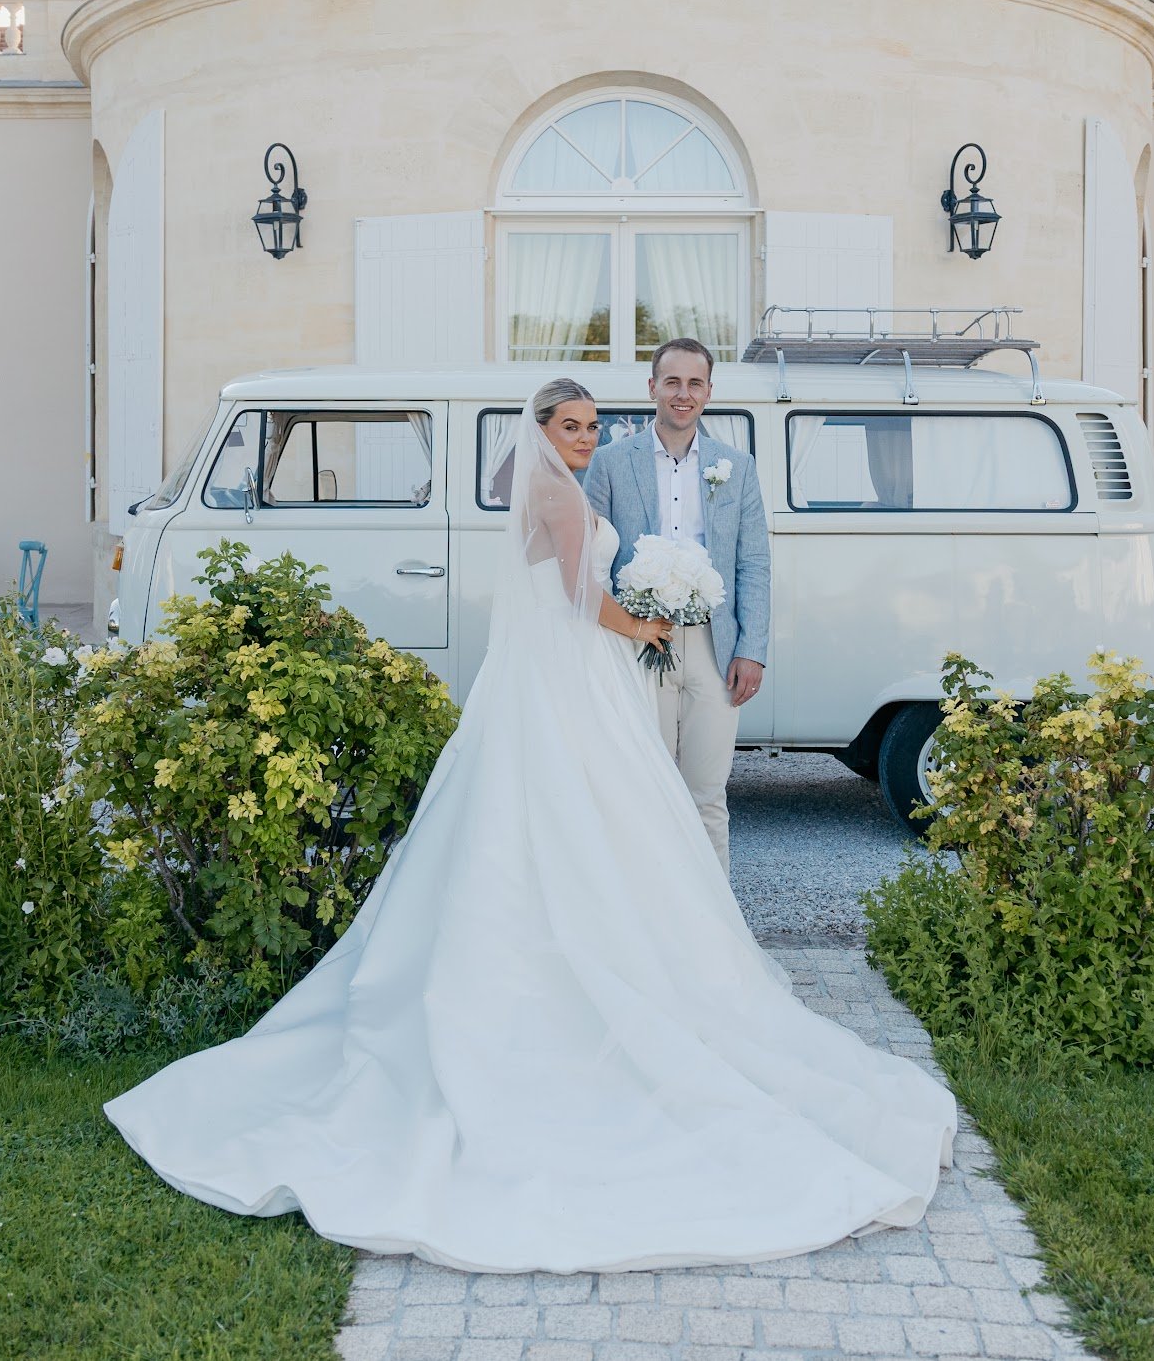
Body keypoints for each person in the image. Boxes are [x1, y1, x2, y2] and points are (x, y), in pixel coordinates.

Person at [103, 380, 953, 1274]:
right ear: (543, 432)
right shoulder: (555, 489)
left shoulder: (545, 486)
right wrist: (652, 624)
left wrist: (632, 605)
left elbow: (566, 575)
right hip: (578, 672)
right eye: (571, 427)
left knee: (552, 824)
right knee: (596, 822)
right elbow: (589, 601)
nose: (586, 439)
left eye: (592, 427)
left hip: (559, 678)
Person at [579, 337, 770, 873]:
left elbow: (753, 563)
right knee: (646, 789)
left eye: (694, 383)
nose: (682, 394)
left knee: (708, 795)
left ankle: (715, 935)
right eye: (672, 382)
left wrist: (752, 649)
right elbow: (592, 552)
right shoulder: (612, 463)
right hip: (640, 642)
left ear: (709, 391)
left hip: (716, 646)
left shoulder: (738, 466)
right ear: (653, 388)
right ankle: (652, 926)